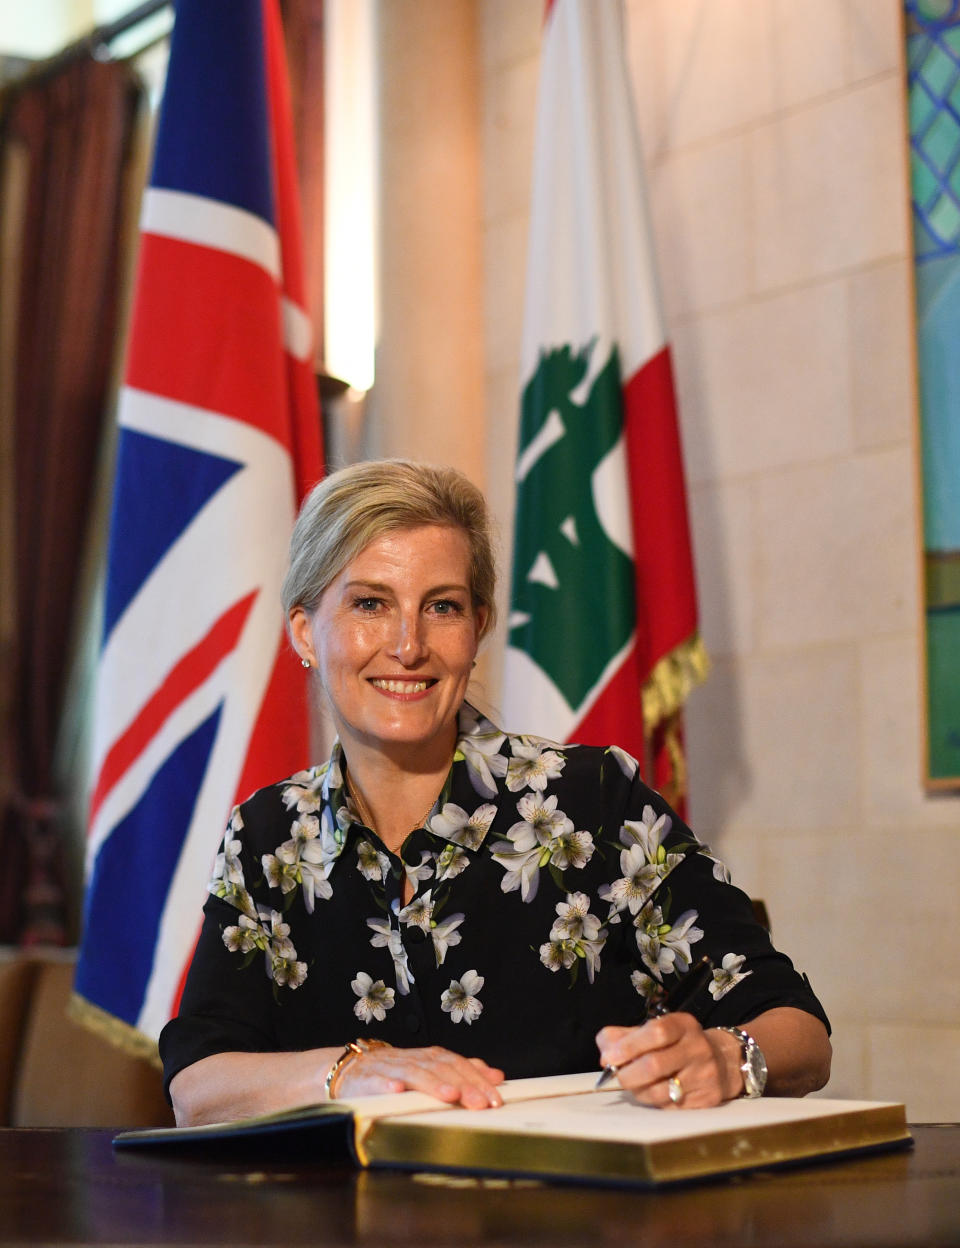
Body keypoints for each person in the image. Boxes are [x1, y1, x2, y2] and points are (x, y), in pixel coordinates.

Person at [161, 459, 831, 1126]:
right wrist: (350, 1070)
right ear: (305, 631)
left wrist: (725, 1055)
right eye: (370, 604)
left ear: (478, 628)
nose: (408, 645)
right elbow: (198, 1086)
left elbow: (801, 1032)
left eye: (442, 607)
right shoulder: (269, 833)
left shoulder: (592, 802)